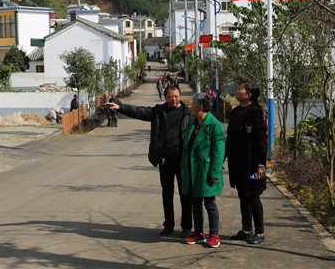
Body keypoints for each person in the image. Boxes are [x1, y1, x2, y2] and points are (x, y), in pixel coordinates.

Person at [105, 85, 193, 238]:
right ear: (165, 97)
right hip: (165, 160)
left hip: (183, 161)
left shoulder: (188, 113)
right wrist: (120, 107)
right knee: (167, 194)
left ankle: (186, 227)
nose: (174, 99)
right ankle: (169, 225)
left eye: (176, 96)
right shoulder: (158, 111)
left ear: (180, 96)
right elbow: (139, 111)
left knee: (185, 194)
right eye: (171, 96)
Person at [181, 92, 225, 248]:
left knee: (210, 204)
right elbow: (186, 148)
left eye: (192, 104)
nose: (190, 107)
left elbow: (218, 152)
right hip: (192, 169)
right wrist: (183, 167)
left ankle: (215, 234)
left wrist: (215, 172)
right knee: (195, 203)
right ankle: (199, 233)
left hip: (205, 171)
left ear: (200, 107)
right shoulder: (193, 122)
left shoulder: (215, 125)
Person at [226, 81, 268, 245]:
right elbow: (230, 138)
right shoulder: (236, 111)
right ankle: (246, 230)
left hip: (252, 165)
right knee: (243, 195)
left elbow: (262, 140)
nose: (238, 90)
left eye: (241, 89)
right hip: (238, 163)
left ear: (249, 95)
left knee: (253, 196)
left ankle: (260, 232)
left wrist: (261, 165)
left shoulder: (257, 112)